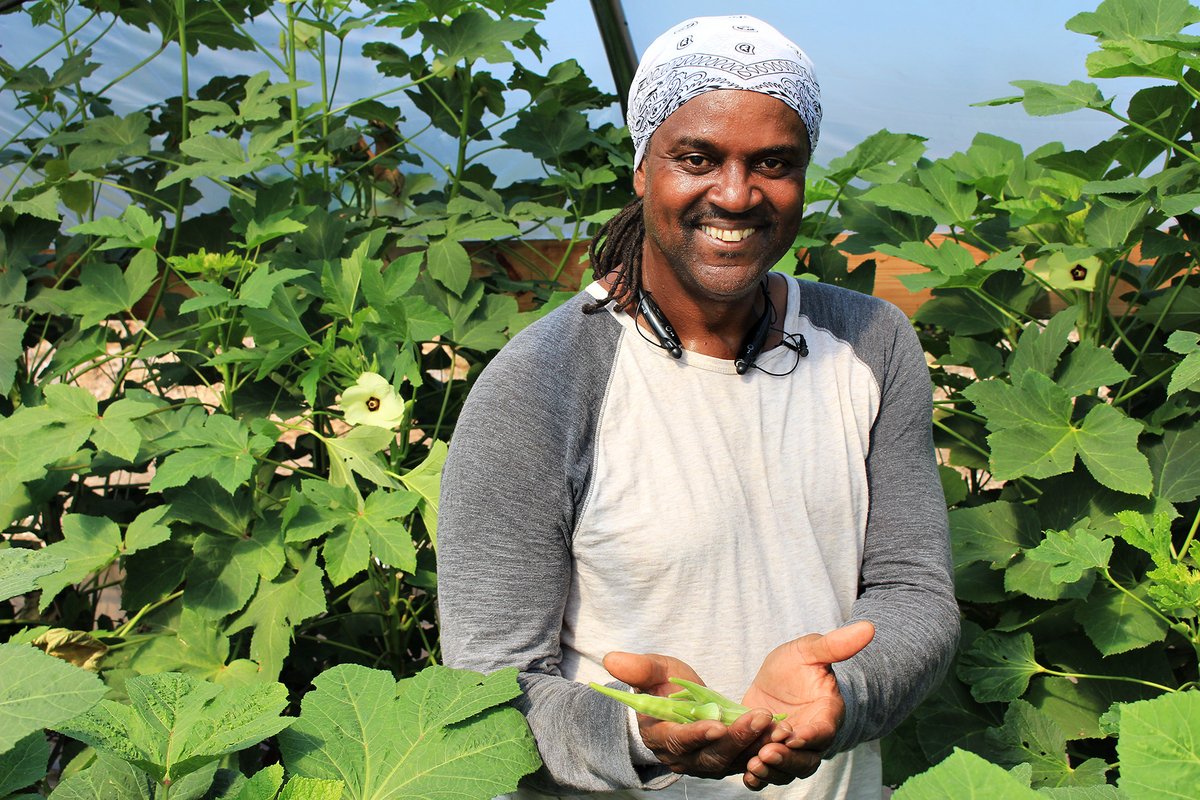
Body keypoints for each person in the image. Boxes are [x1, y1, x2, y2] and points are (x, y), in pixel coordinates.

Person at [437, 14, 959, 799]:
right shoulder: (542, 383)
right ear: (644, 167)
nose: (737, 193)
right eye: (697, 157)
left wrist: (840, 698)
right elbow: (486, 688)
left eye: (774, 163)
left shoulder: (870, 342)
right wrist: (638, 738)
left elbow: (913, 590)